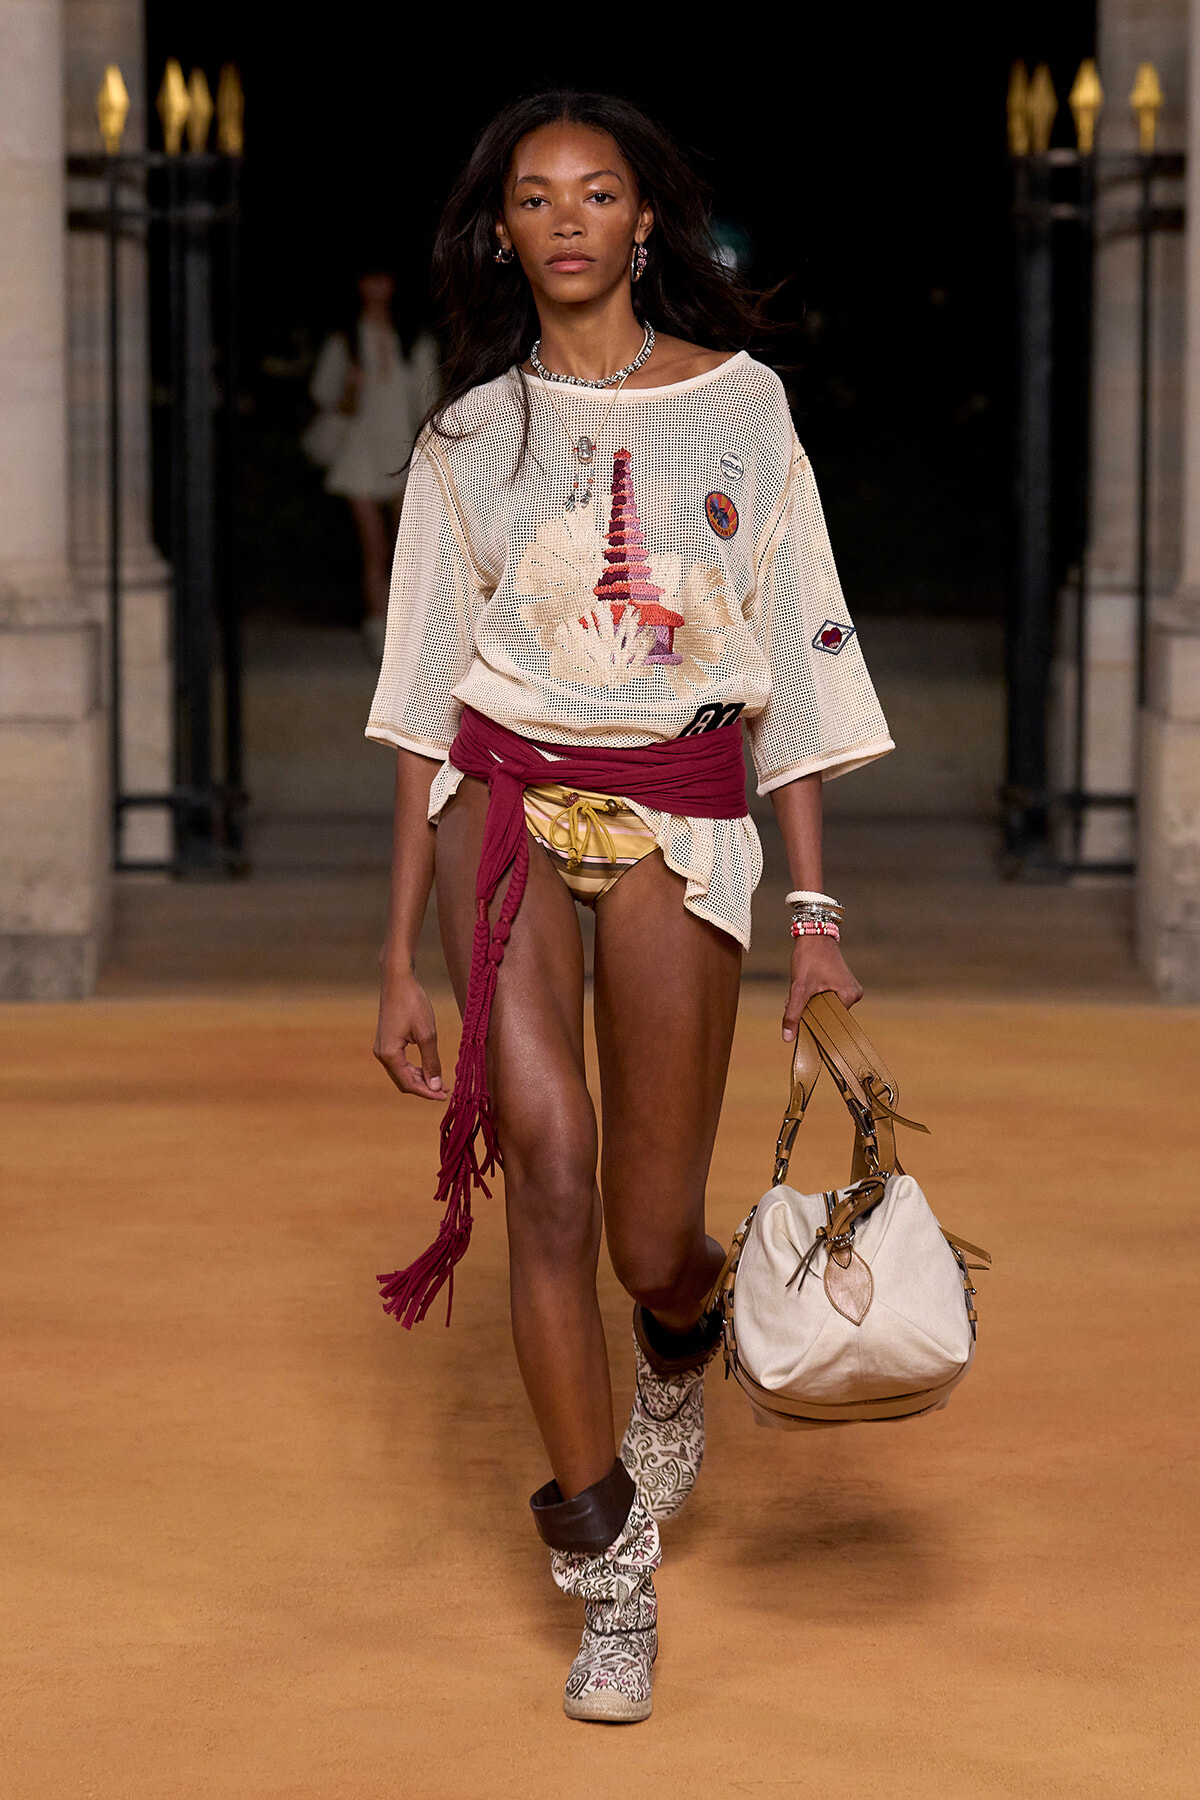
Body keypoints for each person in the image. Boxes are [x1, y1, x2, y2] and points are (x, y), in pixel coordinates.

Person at [365, 92, 893, 1724]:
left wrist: (812, 908)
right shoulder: (464, 439)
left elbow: (793, 650)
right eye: (538, 197)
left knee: (651, 1230)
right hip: (507, 815)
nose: (572, 217)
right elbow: (423, 700)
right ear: (503, 232)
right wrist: (398, 957)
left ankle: (686, 1330)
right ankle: (607, 1571)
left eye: (601, 193)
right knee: (548, 1183)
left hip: (683, 812)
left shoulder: (743, 412)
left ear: (643, 222)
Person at [307, 272, 438, 659]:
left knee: (408, 549)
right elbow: (330, 401)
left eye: (384, 279)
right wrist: (351, 385)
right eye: (369, 280)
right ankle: (378, 631)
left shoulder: (414, 339)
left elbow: (426, 405)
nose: (377, 289)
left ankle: (411, 633)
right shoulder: (345, 340)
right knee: (375, 548)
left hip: (403, 455)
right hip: (360, 456)